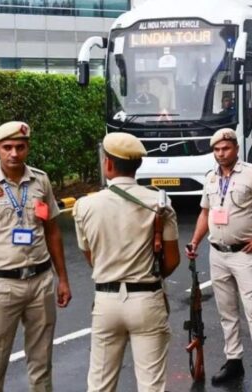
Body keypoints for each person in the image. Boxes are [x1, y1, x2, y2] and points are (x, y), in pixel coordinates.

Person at [73, 133, 180, 392]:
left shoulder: (85, 206)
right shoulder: (160, 203)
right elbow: (172, 260)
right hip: (147, 299)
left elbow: (91, 256)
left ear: (107, 164)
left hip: (106, 300)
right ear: (138, 166)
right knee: (151, 385)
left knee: (100, 384)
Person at [187, 129, 252, 392]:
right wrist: (196, 241)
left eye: (226, 149)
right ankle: (234, 362)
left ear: (236, 149)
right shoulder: (210, 178)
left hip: (244, 254)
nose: (221, 154)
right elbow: (205, 213)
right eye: (217, 150)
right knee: (226, 312)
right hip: (217, 254)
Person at [0, 121, 72, 391]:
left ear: (27, 148)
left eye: (20, 147)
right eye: (7, 147)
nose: (14, 153)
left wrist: (62, 279)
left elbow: (53, 231)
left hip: (40, 282)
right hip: (1, 285)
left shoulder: (40, 180)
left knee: (41, 364)